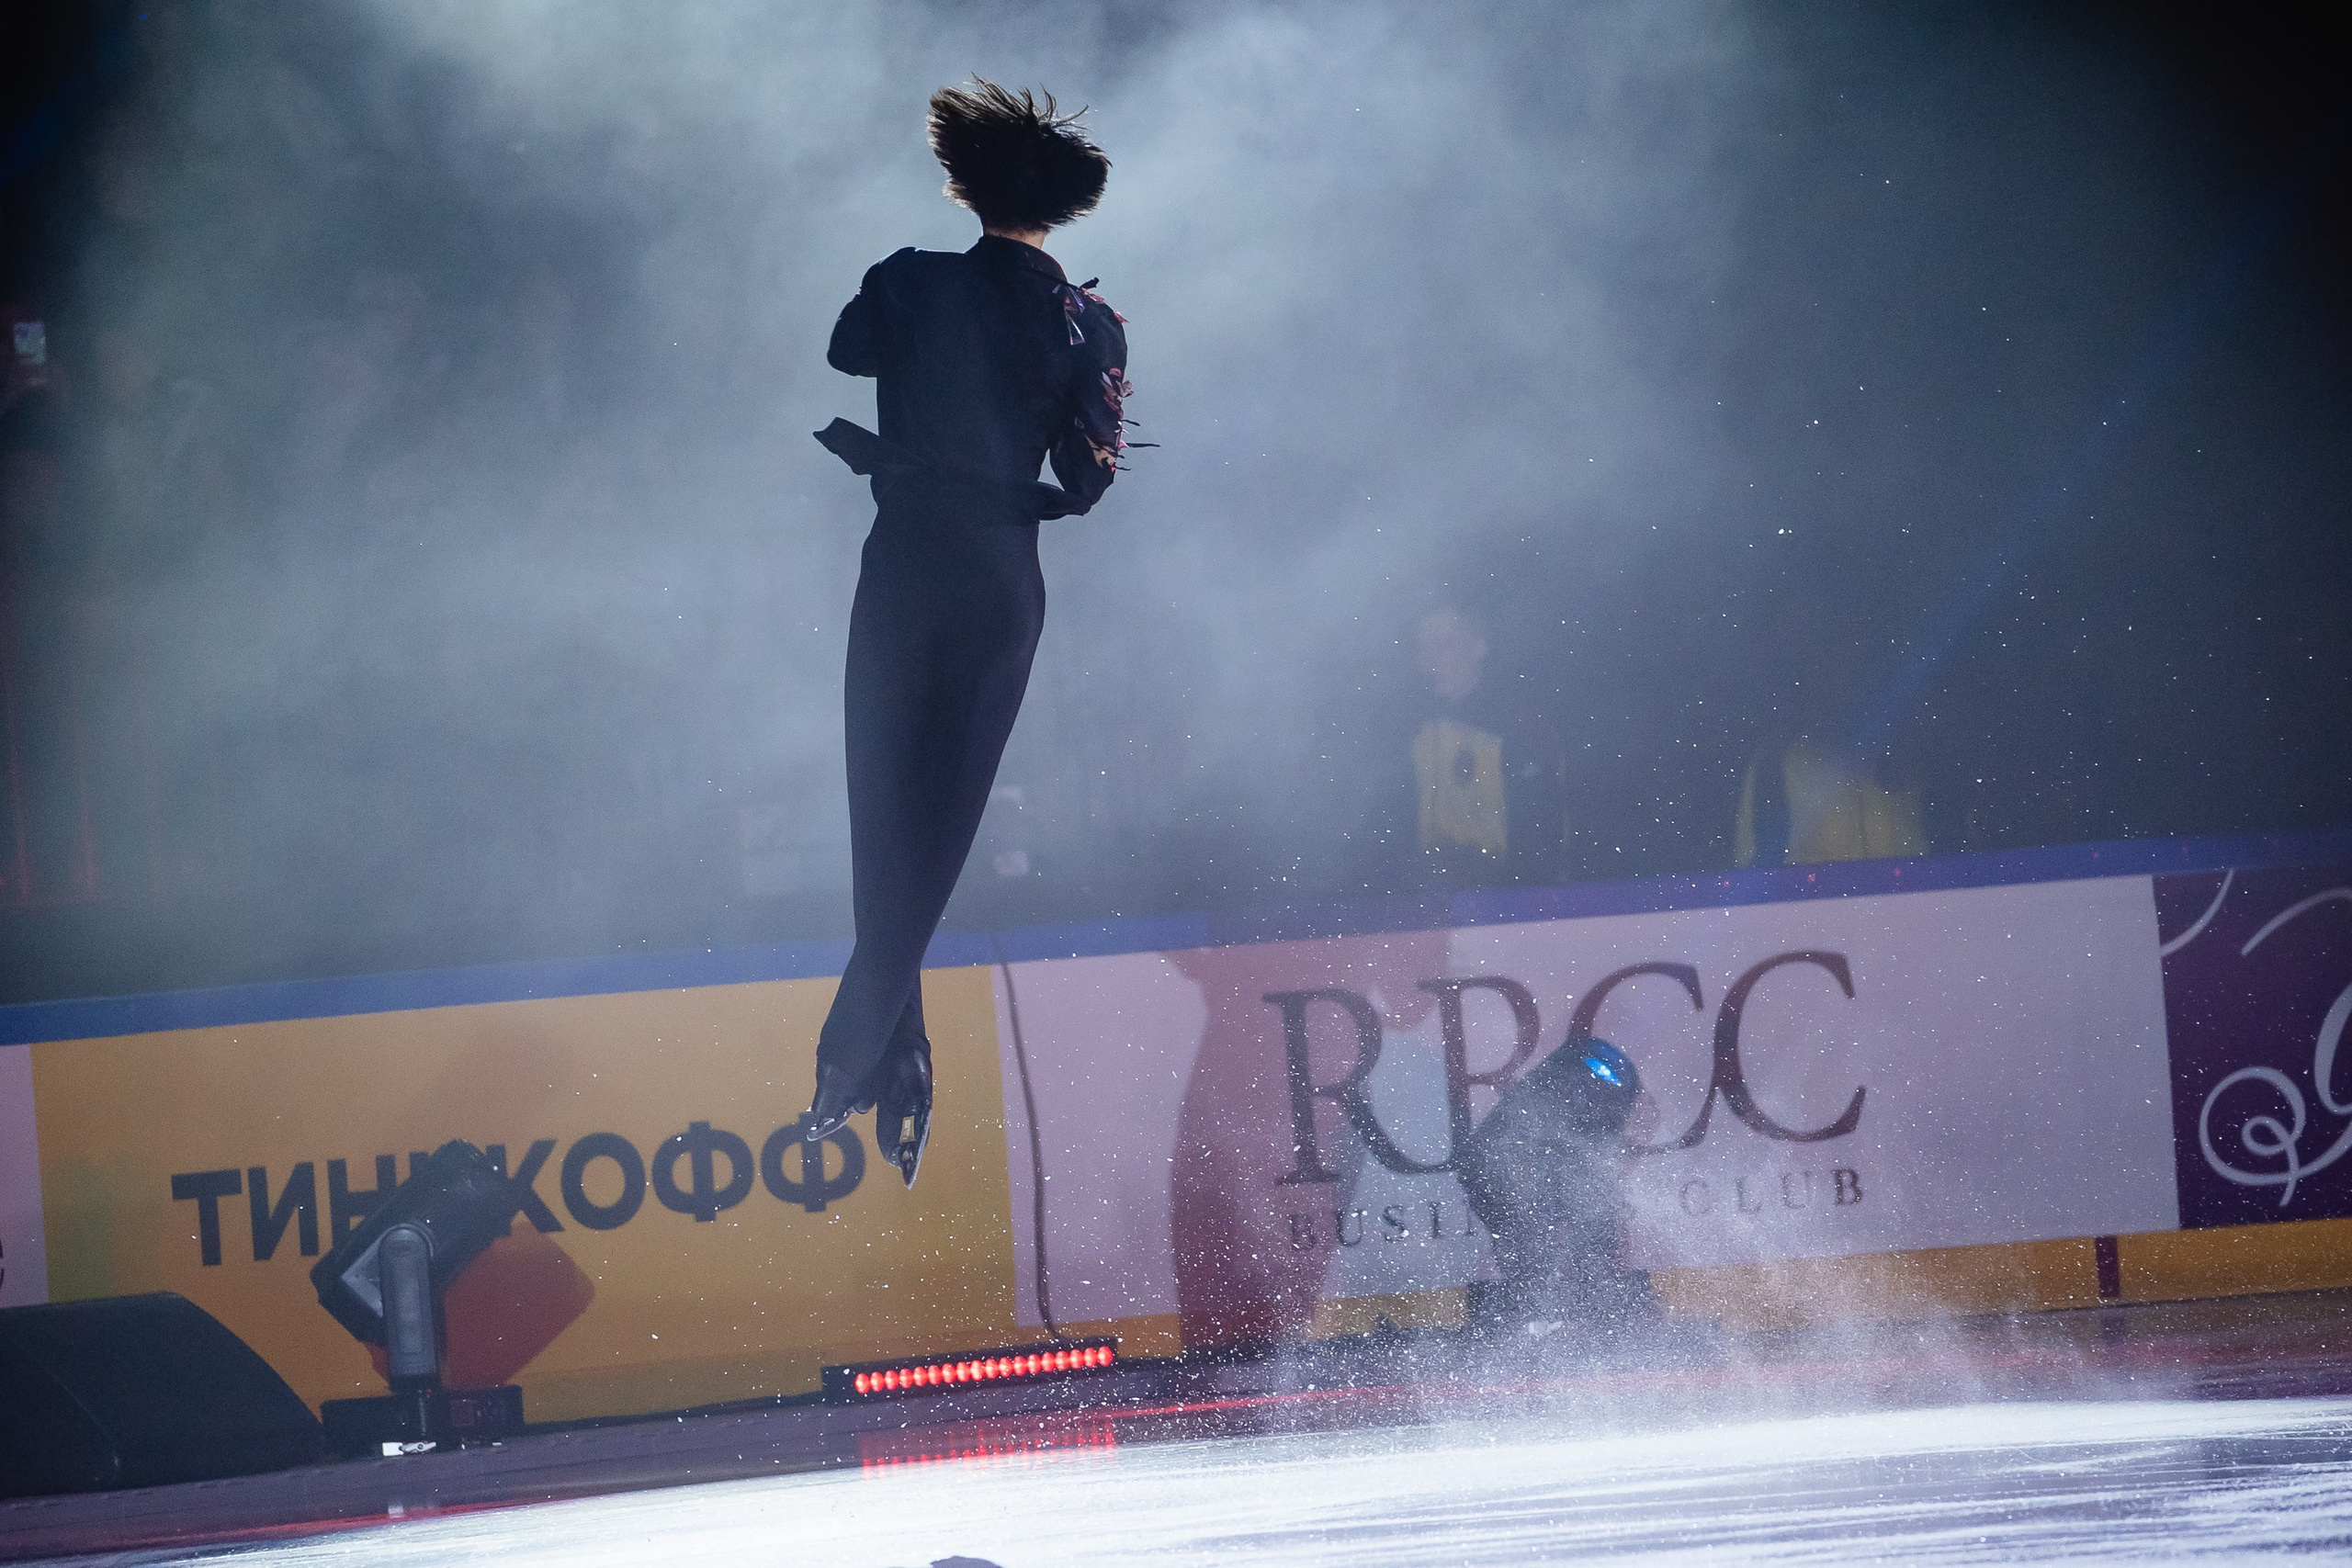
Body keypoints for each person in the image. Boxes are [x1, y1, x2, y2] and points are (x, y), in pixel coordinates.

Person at [802, 81, 1130, 1188]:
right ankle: (877, 1063)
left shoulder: (910, 280)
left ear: (965, 183)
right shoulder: (1086, 321)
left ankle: (870, 1062)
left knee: (884, 807)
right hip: (997, 577)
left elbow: (848, 352)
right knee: (935, 824)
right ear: (1062, 208)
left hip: (906, 566)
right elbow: (1087, 484)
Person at [1454, 1037, 1654, 1332]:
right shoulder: (1536, 1118)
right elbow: (1487, 1169)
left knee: (1597, 1231)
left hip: (1525, 1183)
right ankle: (1515, 1323)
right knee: (1528, 1245)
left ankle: (1606, 1319)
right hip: (1500, 1180)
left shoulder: (1603, 1105)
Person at [1396, 603, 1568, 891]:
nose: (1431, 659)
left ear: (1479, 647)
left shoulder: (1517, 725)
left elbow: (1543, 829)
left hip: (1504, 899)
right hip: (1425, 898)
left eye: (1445, 644)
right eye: (1423, 647)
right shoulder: (1407, 728)